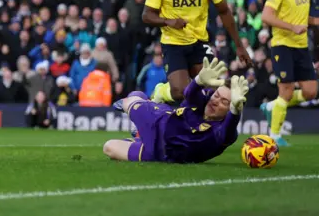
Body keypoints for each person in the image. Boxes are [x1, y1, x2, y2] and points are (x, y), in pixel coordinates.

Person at [142, 0, 251, 104]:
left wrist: (239, 46)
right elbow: (146, 15)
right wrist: (168, 21)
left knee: (210, 88)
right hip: (173, 43)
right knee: (180, 92)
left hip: (199, 42)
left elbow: (224, 12)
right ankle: (161, 91)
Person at [103, 58, 248, 164]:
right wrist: (198, 81)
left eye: (224, 102)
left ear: (230, 108)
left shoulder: (223, 132)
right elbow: (189, 94)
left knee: (109, 147)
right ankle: (142, 119)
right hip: (158, 120)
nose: (216, 101)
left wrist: (235, 110)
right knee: (132, 99)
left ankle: (140, 133)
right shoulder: (203, 100)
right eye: (217, 95)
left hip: (158, 153)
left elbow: (229, 128)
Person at [260, 0, 319, 147]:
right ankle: (274, 137)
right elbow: (266, 17)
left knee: (311, 91)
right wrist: (292, 27)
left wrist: (315, 21)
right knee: (286, 92)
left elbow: (303, 19)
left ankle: (272, 106)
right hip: (283, 45)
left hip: (301, 47)